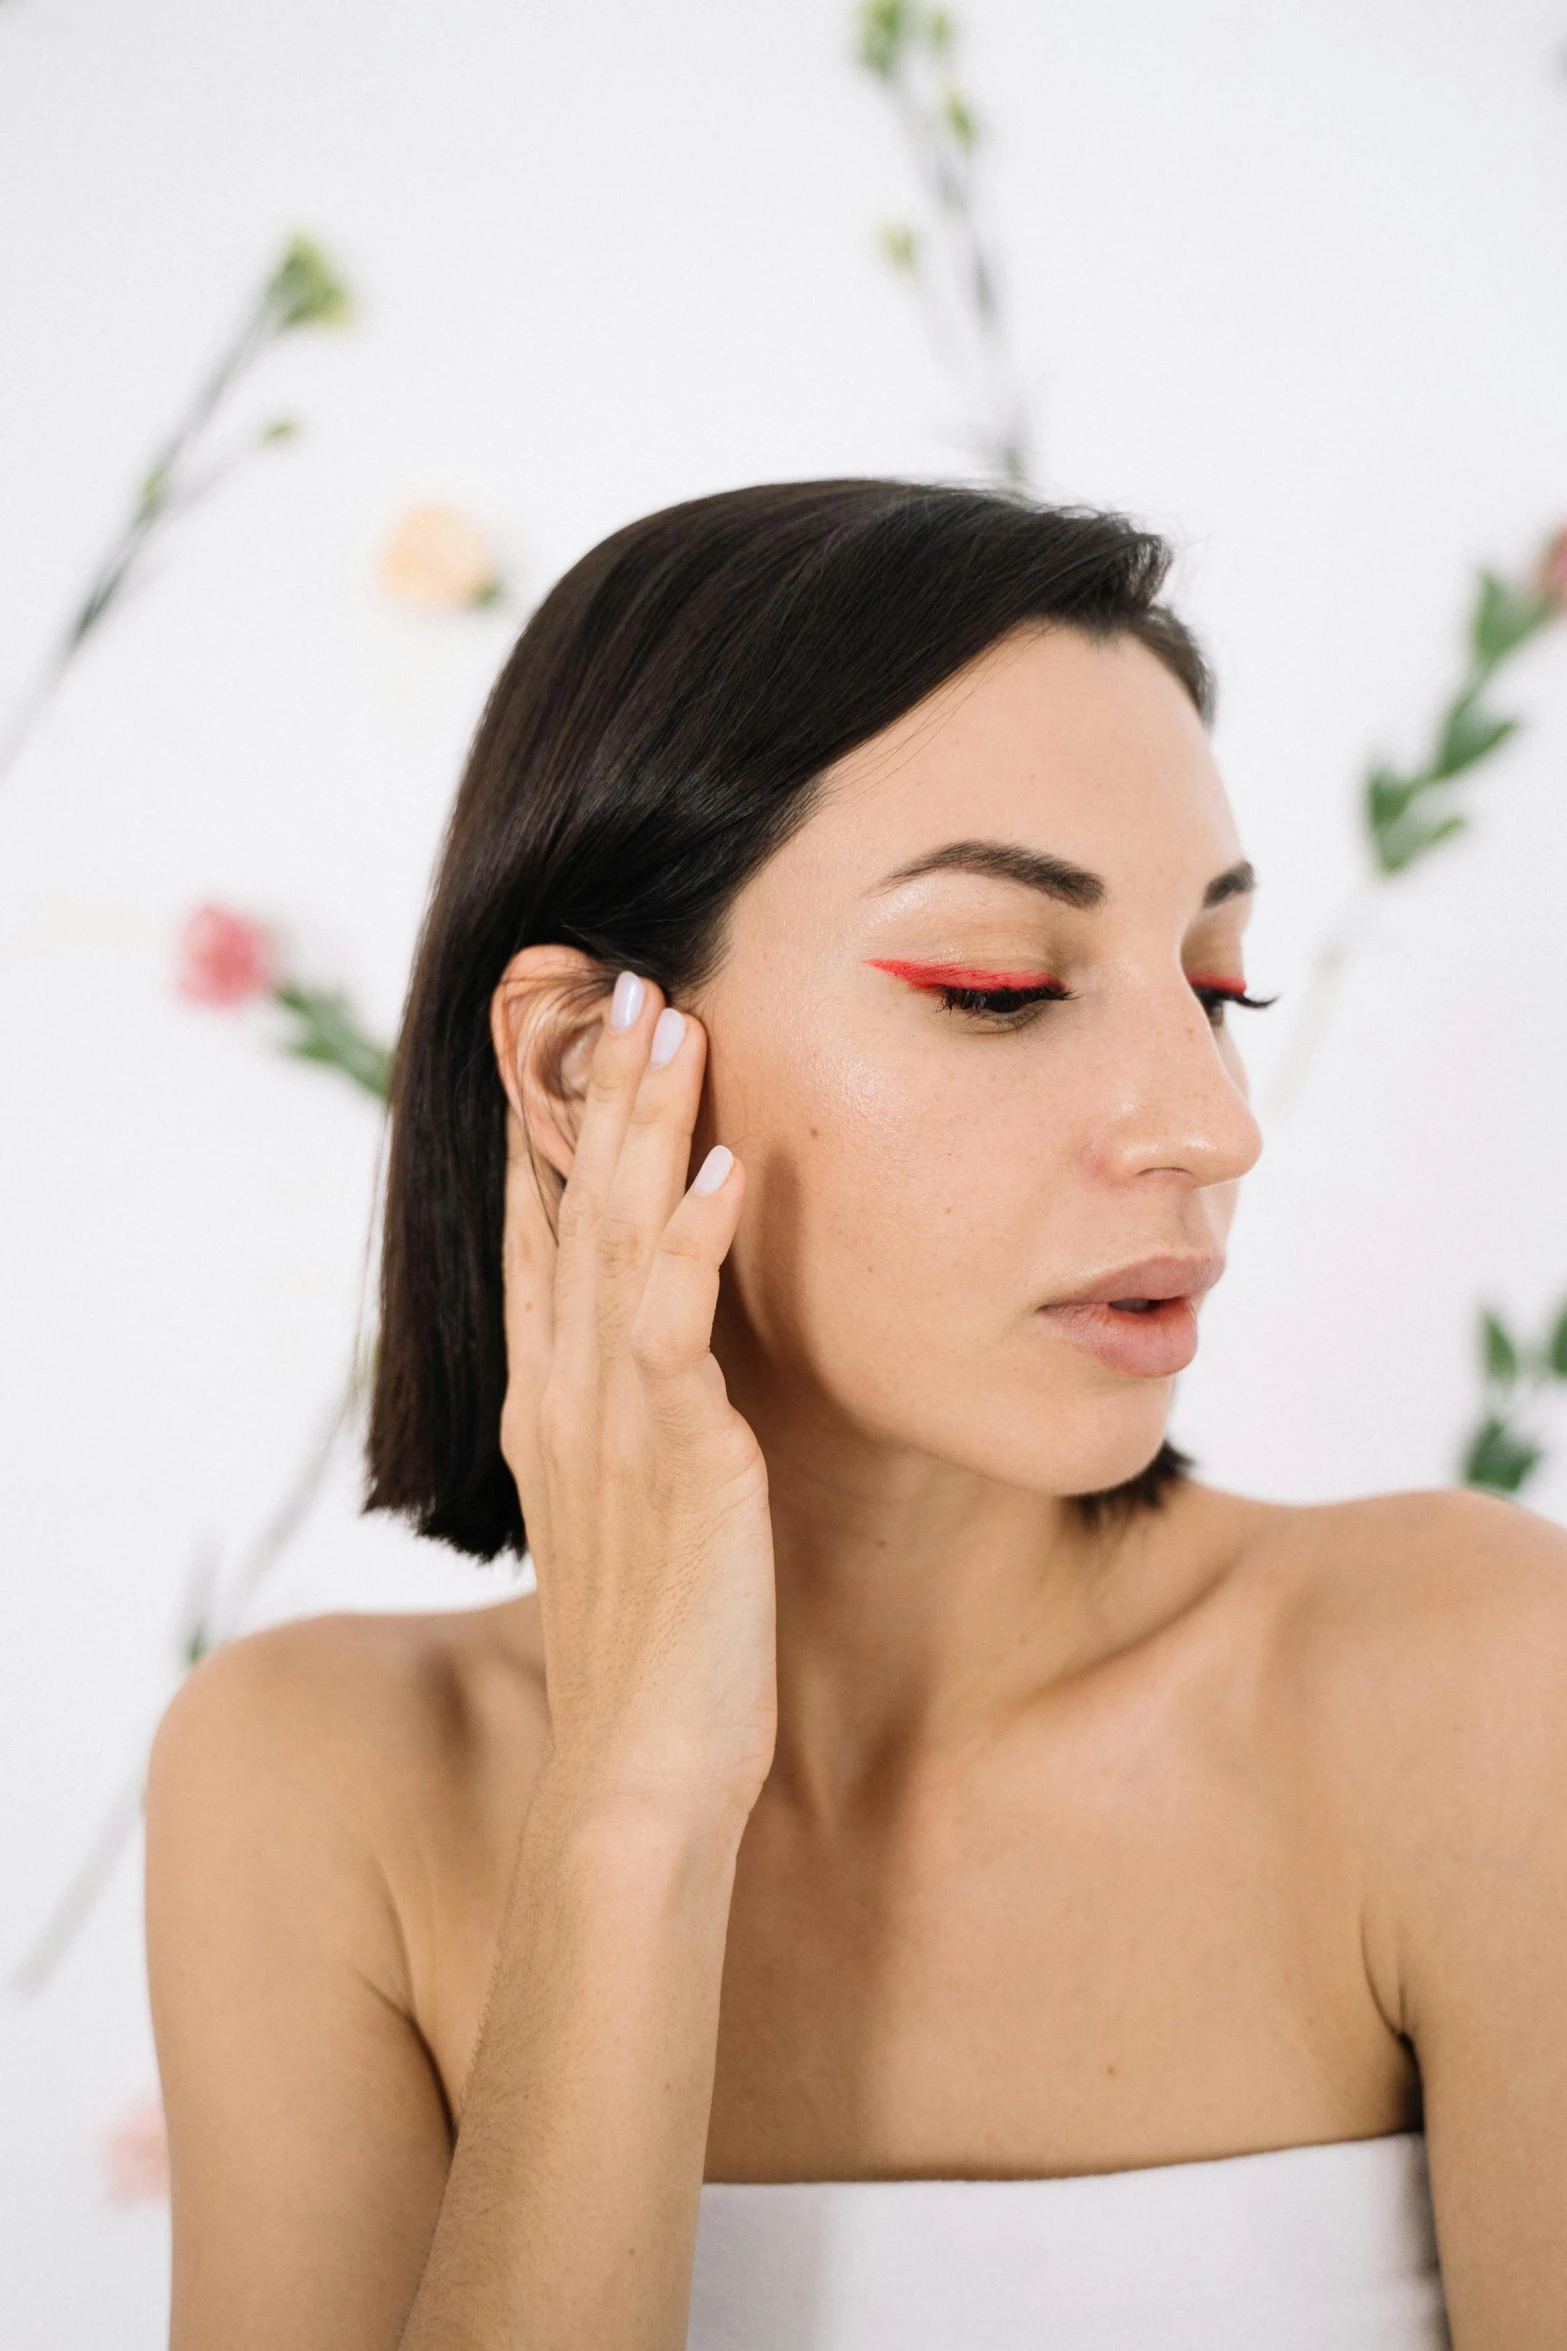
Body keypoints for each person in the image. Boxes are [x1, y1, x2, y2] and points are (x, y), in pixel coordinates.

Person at [145, 480, 1567, 2350]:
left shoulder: (1470, 1680)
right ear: (586, 1063)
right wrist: (634, 1807)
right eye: (997, 984)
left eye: (1217, 983)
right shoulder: (317, 1785)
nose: (1208, 1122)